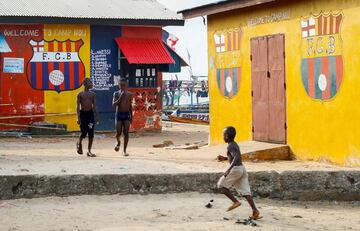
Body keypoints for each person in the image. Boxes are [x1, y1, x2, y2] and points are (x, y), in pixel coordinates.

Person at [217, 126, 261, 220]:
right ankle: (255, 211)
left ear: (227, 136)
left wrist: (229, 169)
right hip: (241, 168)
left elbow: (236, 157)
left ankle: (235, 202)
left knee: (221, 186)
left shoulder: (230, 146)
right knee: (245, 191)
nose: (222, 136)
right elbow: (236, 156)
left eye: (223, 135)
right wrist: (225, 158)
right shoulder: (234, 144)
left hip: (236, 169)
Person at [76, 78, 99, 157]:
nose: (92, 84)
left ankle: (89, 151)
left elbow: (95, 106)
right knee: (83, 133)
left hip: (90, 115)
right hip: (83, 115)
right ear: (85, 84)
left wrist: (97, 115)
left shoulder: (93, 94)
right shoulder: (80, 94)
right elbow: (77, 107)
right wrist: (78, 117)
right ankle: (79, 143)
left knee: (91, 132)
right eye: (90, 83)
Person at [112, 78, 132, 156]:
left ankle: (124, 150)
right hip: (119, 114)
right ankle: (118, 142)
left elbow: (130, 106)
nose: (122, 87)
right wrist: (120, 97)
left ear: (126, 85)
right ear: (119, 85)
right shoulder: (116, 93)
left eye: (124, 85)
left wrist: (131, 116)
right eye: (121, 85)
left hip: (126, 114)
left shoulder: (129, 94)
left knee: (126, 133)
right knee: (118, 133)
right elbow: (113, 104)